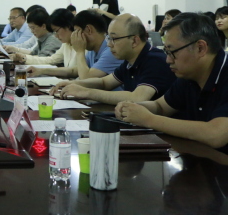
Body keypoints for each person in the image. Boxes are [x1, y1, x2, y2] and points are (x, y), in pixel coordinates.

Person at [115, 13, 228, 153]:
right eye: (166, 52)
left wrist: (148, 119)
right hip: (202, 157)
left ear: (200, 48)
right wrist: (132, 108)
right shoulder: (189, 75)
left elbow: (216, 134)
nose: (168, 60)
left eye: (172, 52)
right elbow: (160, 106)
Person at [51, 14, 176, 105]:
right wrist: (75, 84)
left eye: (114, 39)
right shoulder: (130, 61)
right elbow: (104, 82)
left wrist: (87, 92)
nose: (109, 44)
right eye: (108, 38)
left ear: (134, 40)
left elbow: (138, 98)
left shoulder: (155, 60)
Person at [27, 10, 123, 80]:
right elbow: (74, 71)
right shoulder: (93, 49)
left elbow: (86, 77)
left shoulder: (110, 50)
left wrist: (80, 51)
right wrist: (41, 71)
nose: (74, 35)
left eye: (77, 31)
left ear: (89, 30)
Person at [10, 8, 76, 67]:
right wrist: (20, 55)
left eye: (56, 31)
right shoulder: (65, 44)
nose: (56, 35)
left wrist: (24, 57)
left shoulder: (53, 40)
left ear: (68, 26)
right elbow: (51, 59)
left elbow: (45, 58)